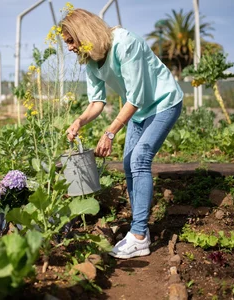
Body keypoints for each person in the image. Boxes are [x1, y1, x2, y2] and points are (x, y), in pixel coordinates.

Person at [62, 8, 183, 259]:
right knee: (128, 163)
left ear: (83, 33)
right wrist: (79, 121)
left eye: (71, 41)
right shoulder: (90, 59)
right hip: (138, 111)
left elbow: (137, 97)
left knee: (140, 160)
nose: (70, 48)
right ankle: (140, 230)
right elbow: (97, 102)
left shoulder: (125, 43)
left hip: (163, 103)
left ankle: (139, 235)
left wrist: (110, 132)